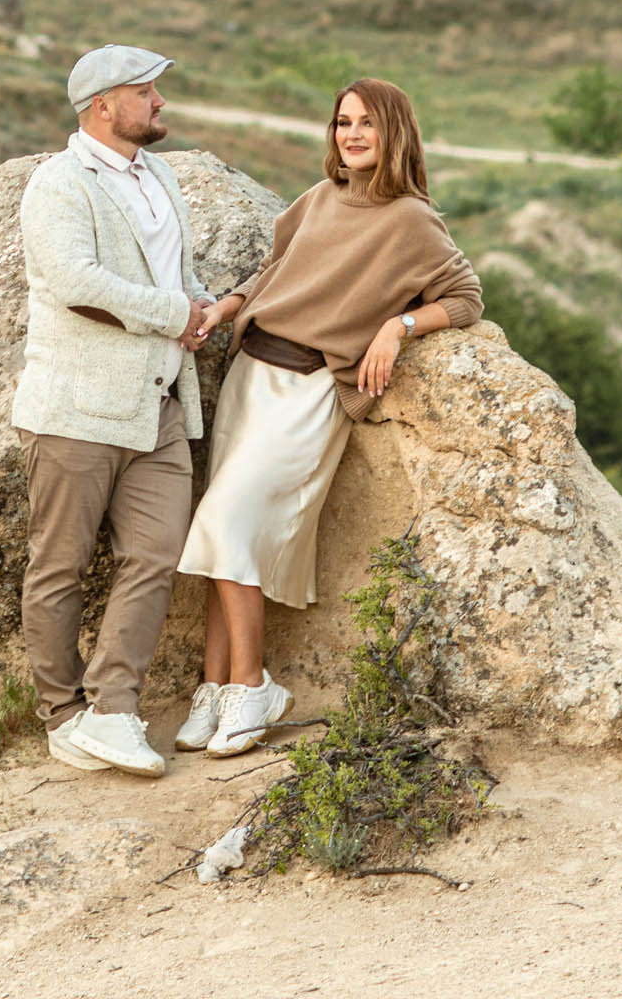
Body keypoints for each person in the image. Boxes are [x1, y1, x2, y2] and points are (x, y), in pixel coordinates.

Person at [174, 77, 482, 760]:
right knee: (226, 538)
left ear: (394, 131)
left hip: (311, 389)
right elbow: (276, 272)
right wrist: (225, 308)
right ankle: (216, 686)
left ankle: (254, 686)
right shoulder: (317, 199)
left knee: (227, 522)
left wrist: (397, 327)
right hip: (250, 374)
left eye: (367, 123)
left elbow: (464, 298)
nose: (352, 135)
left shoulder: (411, 220)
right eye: (343, 122)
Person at [12, 43, 220, 777]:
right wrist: (174, 312)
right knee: (59, 567)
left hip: (160, 405)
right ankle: (62, 715)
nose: (160, 103)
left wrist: (196, 309)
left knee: (158, 556)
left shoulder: (159, 173)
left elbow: (175, 272)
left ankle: (112, 710)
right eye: (147, 92)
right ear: (104, 106)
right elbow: (75, 282)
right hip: (75, 408)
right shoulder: (58, 184)